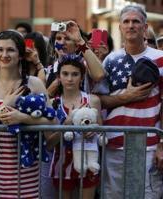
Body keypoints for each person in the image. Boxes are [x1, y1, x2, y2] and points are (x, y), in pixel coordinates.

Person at [0, 30, 55, 199]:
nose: (4, 54)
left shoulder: (35, 83)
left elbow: (52, 124)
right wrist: (3, 107)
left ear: (21, 54)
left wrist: (23, 118)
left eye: (10, 50)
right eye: (0, 50)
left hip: (27, 176)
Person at [95, 5, 163, 199]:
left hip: (149, 145)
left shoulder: (160, 59)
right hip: (114, 145)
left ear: (145, 26)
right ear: (120, 27)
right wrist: (127, 97)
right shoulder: (110, 60)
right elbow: (99, 101)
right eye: (126, 21)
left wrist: (162, 144)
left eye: (136, 21)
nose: (131, 25)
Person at [46, 54, 102, 199]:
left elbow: (102, 133)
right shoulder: (52, 104)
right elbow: (49, 144)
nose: (70, 79)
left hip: (88, 162)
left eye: (75, 74)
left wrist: (94, 131)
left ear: (82, 77)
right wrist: (66, 124)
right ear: (58, 76)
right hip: (61, 164)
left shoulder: (92, 100)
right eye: (65, 74)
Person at [46, 20, 105, 98]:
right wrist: (52, 87)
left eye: (67, 39)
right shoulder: (46, 71)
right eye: (58, 38)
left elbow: (99, 75)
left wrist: (80, 41)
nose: (62, 42)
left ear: (77, 46)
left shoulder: (85, 66)